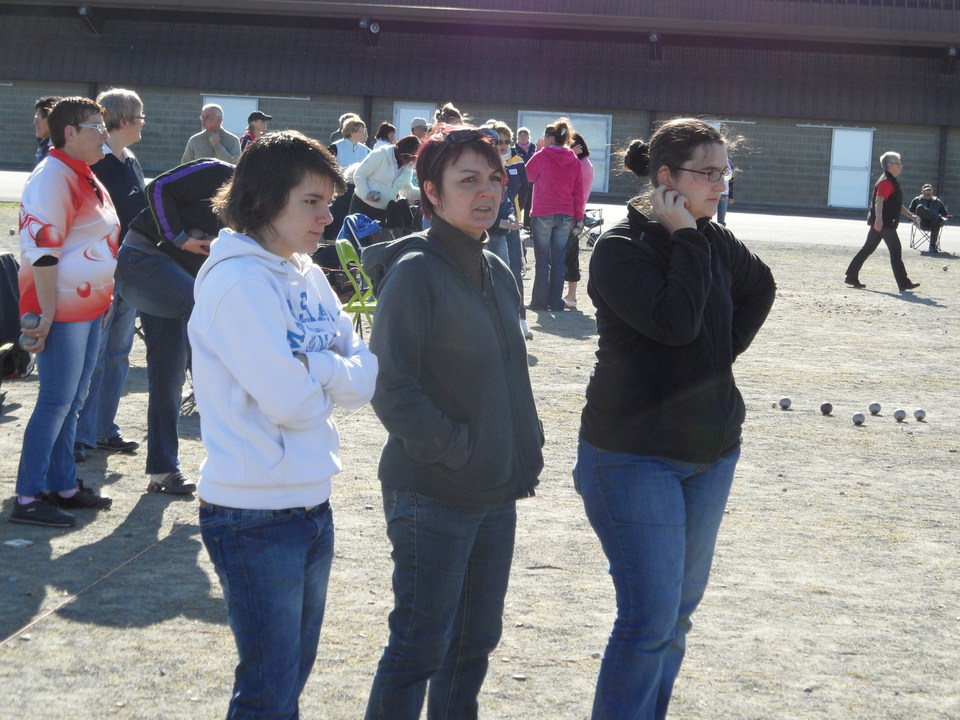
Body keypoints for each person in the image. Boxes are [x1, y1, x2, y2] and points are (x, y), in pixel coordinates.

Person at [575, 118, 776, 720]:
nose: (722, 185)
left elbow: (760, 286)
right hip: (633, 455)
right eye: (708, 173)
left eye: (725, 172)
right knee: (648, 619)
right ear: (666, 179)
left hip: (711, 454)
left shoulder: (714, 239)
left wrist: (718, 354)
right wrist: (685, 236)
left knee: (678, 617)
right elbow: (675, 323)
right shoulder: (620, 249)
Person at [189, 129, 377, 720]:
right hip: (252, 516)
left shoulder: (308, 274)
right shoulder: (236, 282)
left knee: (287, 680)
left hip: (312, 505)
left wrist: (315, 366)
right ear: (265, 199)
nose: (327, 216)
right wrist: (330, 373)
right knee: (269, 691)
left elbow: (365, 374)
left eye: (329, 201)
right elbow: (292, 404)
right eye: (311, 202)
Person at [362, 124, 544, 720]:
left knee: (473, 646)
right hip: (433, 490)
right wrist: (454, 447)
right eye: (468, 180)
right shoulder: (416, 271)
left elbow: (510, 375)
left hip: (495, 490)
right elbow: (391, 386)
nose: (487, 191)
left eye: (494, 177)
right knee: (419, 647)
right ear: (431, 193)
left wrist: (523, 445)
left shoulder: (497, 267)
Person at [10, 96, 119, 527]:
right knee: (56, 401)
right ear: (70, 132)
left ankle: (64, 485)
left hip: (89, 306)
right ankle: (28, 495)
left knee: (71, 401)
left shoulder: (84, 173)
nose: (104, 136)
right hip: (64, 311)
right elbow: (42, 254)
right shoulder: (52, 177)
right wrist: (48, 314)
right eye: (97, 127)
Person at [114, 158, 234, 495]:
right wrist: (179, 237)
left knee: (167, 379)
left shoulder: (263, 205)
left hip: (176, 283)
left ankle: (163, 472)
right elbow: (158, 187)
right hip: (142, 261)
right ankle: (218, 415)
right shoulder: (218, 171)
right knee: (201, 311)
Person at [74, 88, 148, 463]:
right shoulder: (96, 163)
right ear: (123, 119)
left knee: (119, 353)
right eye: (140, 116)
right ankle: (82, 434)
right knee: (96, 354)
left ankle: (105, 428)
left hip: (131, 268)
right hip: (102, 271)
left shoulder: (130, 159)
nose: (144, 123)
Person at [525, 117, 584, 312]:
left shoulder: (541, 155)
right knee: (559, 258)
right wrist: (579, 217)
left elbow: (529, 175)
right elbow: (579, 192)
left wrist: (539, 150)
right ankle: (556, 302)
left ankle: (539, 302)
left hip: (543, 211)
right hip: (566, 213)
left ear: (550, 137)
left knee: (543, 260)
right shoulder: (574, 160)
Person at [844, 151, 919, 292]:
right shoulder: (886, 181)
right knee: (895, 250)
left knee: (867, 249)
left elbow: (896, 203)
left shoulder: (890, 180)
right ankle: (903, 283)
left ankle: (851, 276)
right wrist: (878, 220)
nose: (901, 166)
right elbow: (879, 201)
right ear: (890, 165)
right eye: (898, 163)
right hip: (884, 223)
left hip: (882, 222)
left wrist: (909, 215)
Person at [489, 121, 531, 338]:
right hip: (487, 225)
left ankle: (520, 318)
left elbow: (523, 191)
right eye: (499, 141)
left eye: (507, 141)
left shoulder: (517, 162)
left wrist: (516, 213)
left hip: (512, 223)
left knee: (514, 269)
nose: (503, 145)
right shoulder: (485, 162)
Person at [349, 135, 420, 224]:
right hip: (362, 206)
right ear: (404, 154)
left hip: (383, 212)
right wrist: (366, 193)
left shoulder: (408, 166)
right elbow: (359, 174)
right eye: (413, 158)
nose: (413, 161)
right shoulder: (380, 154)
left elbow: (405, 190)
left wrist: (424, 194)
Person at [562, 131, 594, 310]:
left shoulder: (578, 164)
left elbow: (565, 180)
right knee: (571, 256)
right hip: (577, 214)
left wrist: (569, 156)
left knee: (568, 256)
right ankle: (570, 296)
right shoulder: (585, 163)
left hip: (573, 215)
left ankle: (571, 296)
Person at [909, 183, 949, 253]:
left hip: (934, 223)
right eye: (926, 190)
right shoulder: (917, 200)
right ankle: (937, 217)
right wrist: (914, 218)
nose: (928, 192)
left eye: (930, 190)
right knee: (920, 207)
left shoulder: (937, 201)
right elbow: (909, 213)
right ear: (922, 191)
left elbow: (944, 214)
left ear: (932, 191)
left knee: (936, 221)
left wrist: (942, 217)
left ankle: (932, 246)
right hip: (921, 222)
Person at [33, 96, 59, 165]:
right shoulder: (44, 144)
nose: (35, 122)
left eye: (39, 117)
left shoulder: (62, 151)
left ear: (52, 119)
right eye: (35, 117)